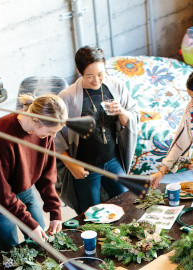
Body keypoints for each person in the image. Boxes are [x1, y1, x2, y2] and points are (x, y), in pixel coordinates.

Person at [0, 94, 67, 252]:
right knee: (12, 251)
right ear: (36, 120)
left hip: (23, 189)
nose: (53, 137)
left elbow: (47, 175)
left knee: (41, 242)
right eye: (51, 132)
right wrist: (30, 225)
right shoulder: (2, 134)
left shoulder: (45, 134)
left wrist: (55, 210)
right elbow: (2, 191)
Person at [56, 45, 139, 214]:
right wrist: (71, 165)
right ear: (79, 72)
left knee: (126, 205)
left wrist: (121, 112)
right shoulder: (67, 97)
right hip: (85, 165)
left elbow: (133, 115)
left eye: (101, 74)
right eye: (89, 76)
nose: (96, 80)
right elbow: (54, 137)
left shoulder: (116, 86)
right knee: (92, 213)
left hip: (113, 159)